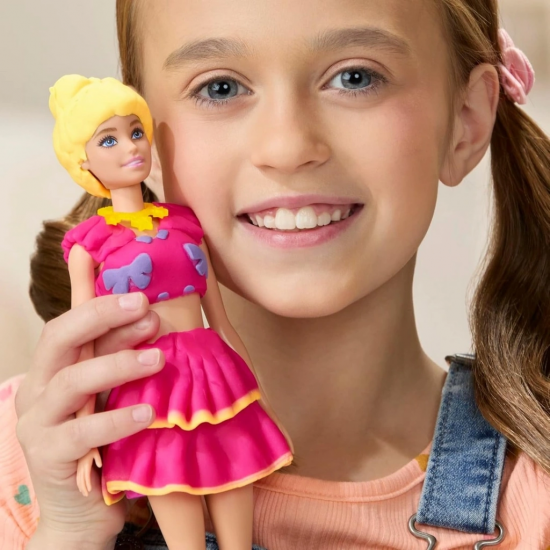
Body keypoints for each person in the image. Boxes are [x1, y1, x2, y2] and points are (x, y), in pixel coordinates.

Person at [2, 0, 550, 548]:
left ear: (466, 121)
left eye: (355, 78)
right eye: (220, 88)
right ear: (145, 141)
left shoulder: (536, 498)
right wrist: (71, 532)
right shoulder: (29, 469)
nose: (287, 148)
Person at [46, 74, 292, 550]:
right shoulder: (89, 245)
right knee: (183, 530)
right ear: (83, 161)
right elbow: (84, 345)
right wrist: (86, 433)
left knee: (237, 523)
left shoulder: (184, 223)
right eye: (109, 140)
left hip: (214, 375)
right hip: (150, 386)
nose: (131, 147)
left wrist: (257, 399)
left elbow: (221, 322)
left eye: (136, 132)